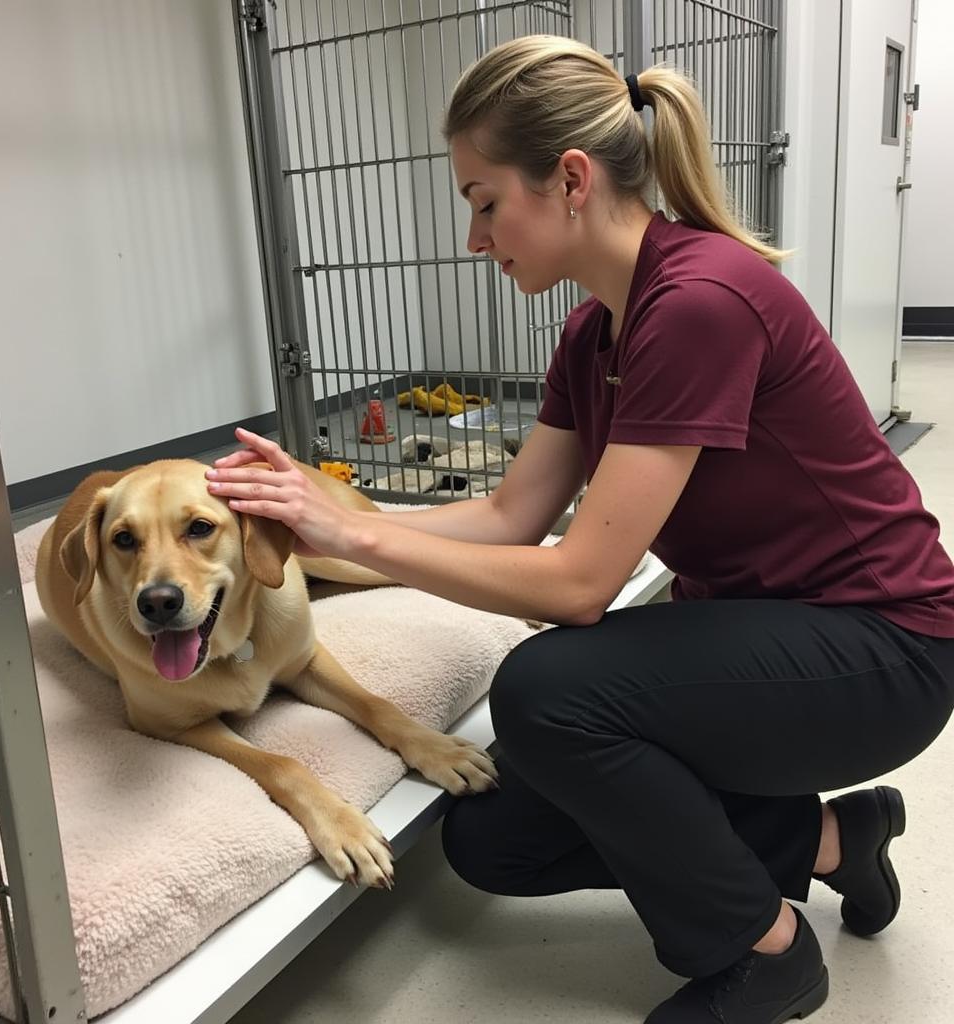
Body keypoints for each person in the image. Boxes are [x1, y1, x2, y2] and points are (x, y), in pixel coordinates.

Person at [204, 35, 954, 1024]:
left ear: (567, 179)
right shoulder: (594, 327)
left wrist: (362, 543)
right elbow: (509, 513)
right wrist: (336, 512)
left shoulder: (697, 303)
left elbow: (577, 584)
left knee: (547, 691)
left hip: (885, 648)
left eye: (481, 200)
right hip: (772, 634)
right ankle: (831, 843)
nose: (474, 237)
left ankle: (762, 950)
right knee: (491, 839)